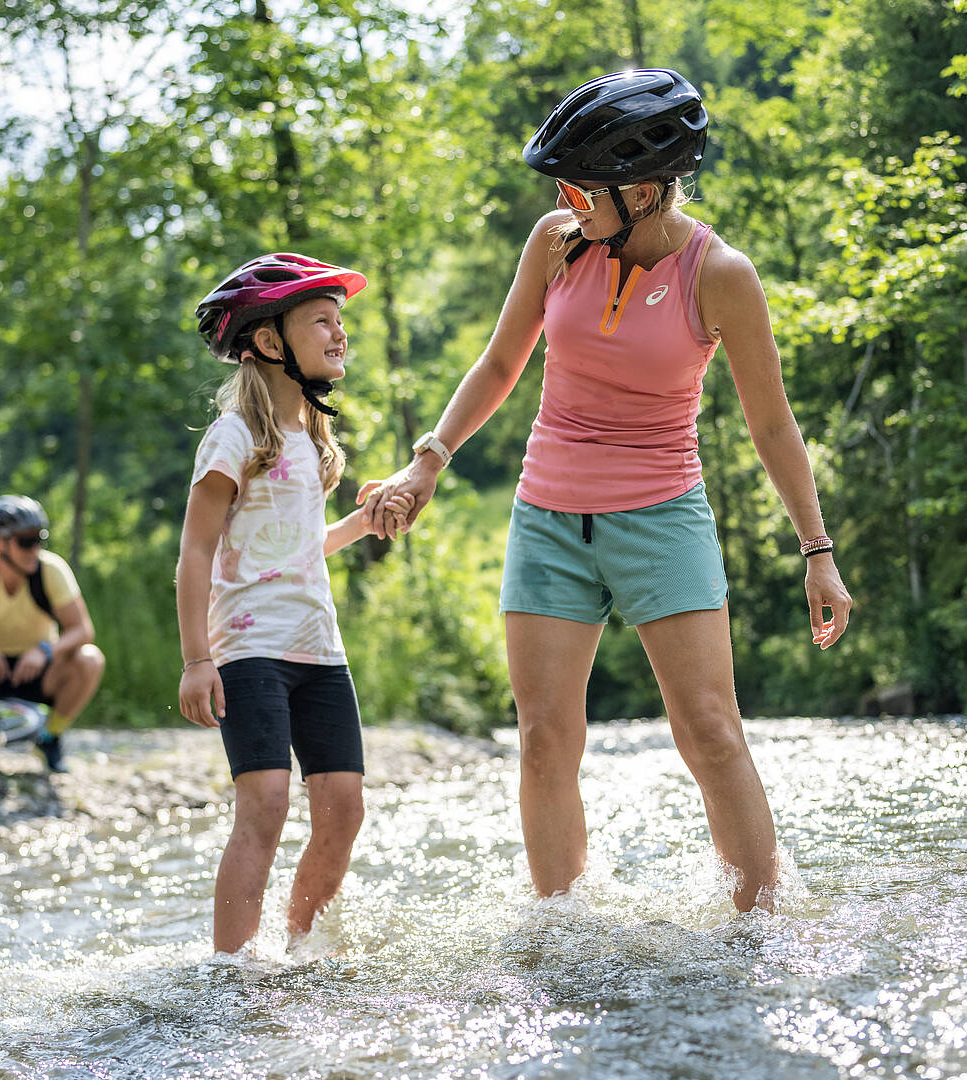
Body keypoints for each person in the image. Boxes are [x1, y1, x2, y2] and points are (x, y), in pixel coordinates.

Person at [361, 69, 854, 913]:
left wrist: (819, 554)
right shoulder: (556, 241)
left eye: (582, 185)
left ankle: (765, 926)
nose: (565, 198)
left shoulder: (720, 274)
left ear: (646, 186)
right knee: (546, 740)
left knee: (710, 733)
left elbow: (773, 427)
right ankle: (565, 932)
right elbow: (500, 362)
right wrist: (429, 459)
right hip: (548, 519)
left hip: (664, 517)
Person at [176, 252, 413, 955]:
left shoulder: (311, 441)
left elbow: (299, 547)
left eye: (341, 322)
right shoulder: (233, 437)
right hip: (248, 651)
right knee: (268, 806)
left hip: (319, 649)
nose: (340, 335)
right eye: (322, 321)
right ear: (271, 342)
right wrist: (196, 658)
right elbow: (195, 552)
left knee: (343, 809)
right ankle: (231, 971)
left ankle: (298, 949)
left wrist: (363, 524)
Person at [0, 495, 106, 773]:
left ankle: (49, 738)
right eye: (25, 541)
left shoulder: (52, 570)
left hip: (39, 670)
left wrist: (45, 651)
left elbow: (82, 630)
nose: (34, 549)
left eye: (39, 539)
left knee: (90, 659)